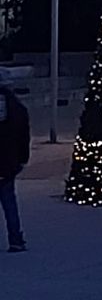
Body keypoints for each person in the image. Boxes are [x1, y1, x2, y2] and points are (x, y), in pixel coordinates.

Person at [0, 75, 29, 254]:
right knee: (9, 202)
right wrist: (22, 159)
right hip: (8, 162)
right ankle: (15, 239)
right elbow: (24, 136)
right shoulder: (18, 108)